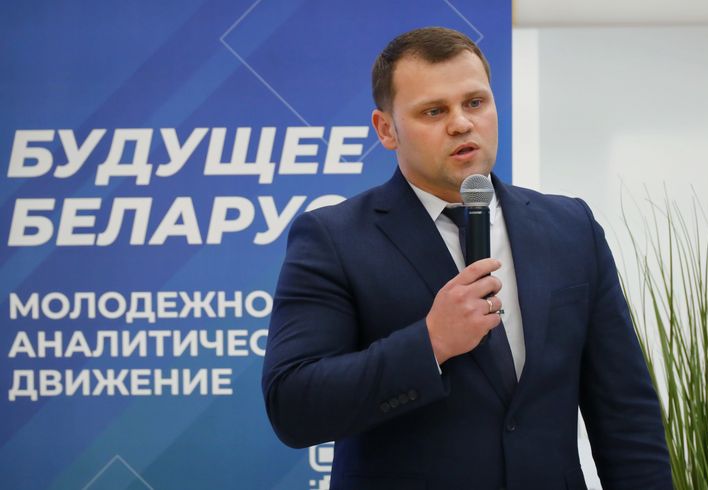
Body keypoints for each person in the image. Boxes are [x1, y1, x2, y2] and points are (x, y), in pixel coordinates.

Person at [262, 26, 672, 489]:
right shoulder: (333, 238)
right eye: (434, 111)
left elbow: (625, 413)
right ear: (386, 129)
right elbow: (293, 406)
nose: (461, 123)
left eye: (475, 103)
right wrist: (430, 342)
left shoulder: (571, 227)